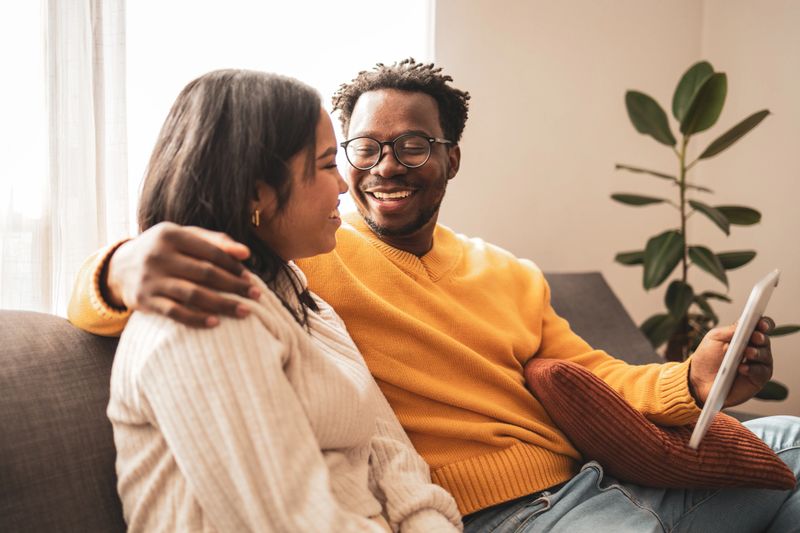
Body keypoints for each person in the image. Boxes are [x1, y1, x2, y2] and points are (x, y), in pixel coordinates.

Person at [70, 60, 799, 531]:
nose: (384, 166)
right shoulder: (309, 258)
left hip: (591, 477)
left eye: (413, 145)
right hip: (500, 515)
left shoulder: (506, 271)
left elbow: (599, 371)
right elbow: (143, 283)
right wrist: (124, 264)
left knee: (793, 438)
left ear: (451, 157)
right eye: (358, 149)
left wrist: (695, 380)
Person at [100, 69, 462, 532]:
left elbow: (386, 448)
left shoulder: (298, 294)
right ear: (257, 191)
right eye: (329, 164)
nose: (343, 186)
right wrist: (115, 267)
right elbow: (291, 522)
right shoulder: (203, 317)